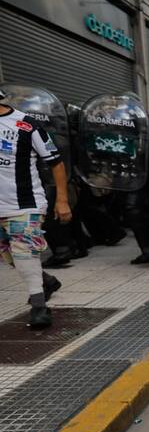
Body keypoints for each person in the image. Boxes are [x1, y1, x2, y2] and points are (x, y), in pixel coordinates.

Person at [0, 100, 71, 328]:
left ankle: (39, 307)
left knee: (23, 254)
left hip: (25, 204)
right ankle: (46, 281)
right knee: (9, 255)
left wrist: (62, 200)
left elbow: (56, 162)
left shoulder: (26, 125)